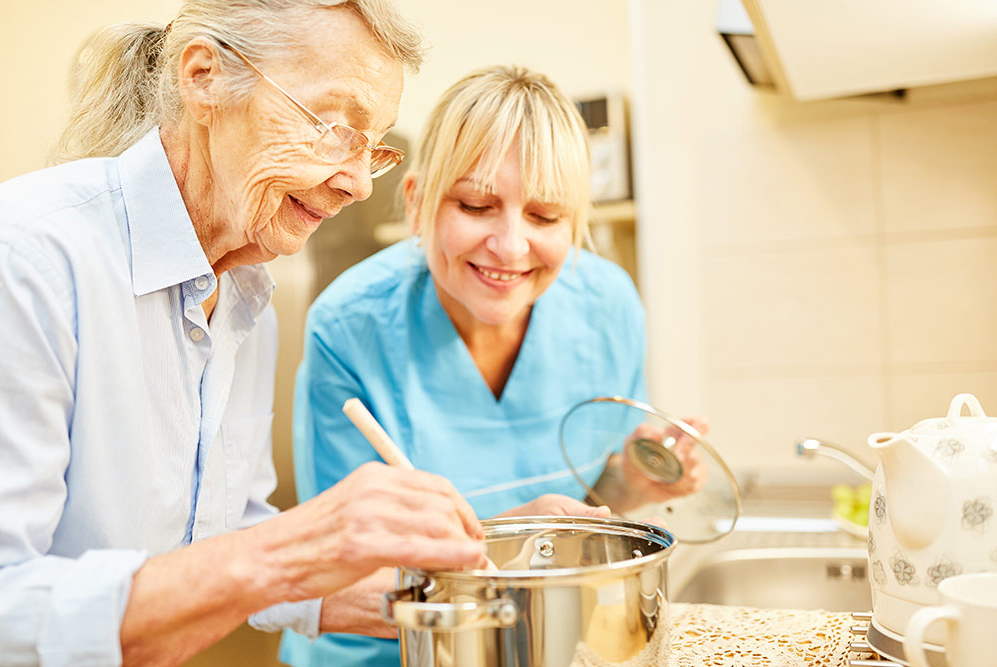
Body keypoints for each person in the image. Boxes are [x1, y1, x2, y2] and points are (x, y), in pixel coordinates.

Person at [0, 2, 494, 666]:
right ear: (203, 78)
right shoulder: (27, 258)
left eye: (369, 147)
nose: (352, 183)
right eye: (332, 125)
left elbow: (221, 535)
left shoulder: (245, 291)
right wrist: (296, 547)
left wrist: (427, 600)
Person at [283, 64, 707, 667]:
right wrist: (506, 541)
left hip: (547, 646)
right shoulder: (352, 326)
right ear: (416, 202)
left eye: (544, 216)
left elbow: (585, 498)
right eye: (477, 205)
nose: (510, 246)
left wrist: (628, 484)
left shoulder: (608, 308)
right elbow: (332, 568)